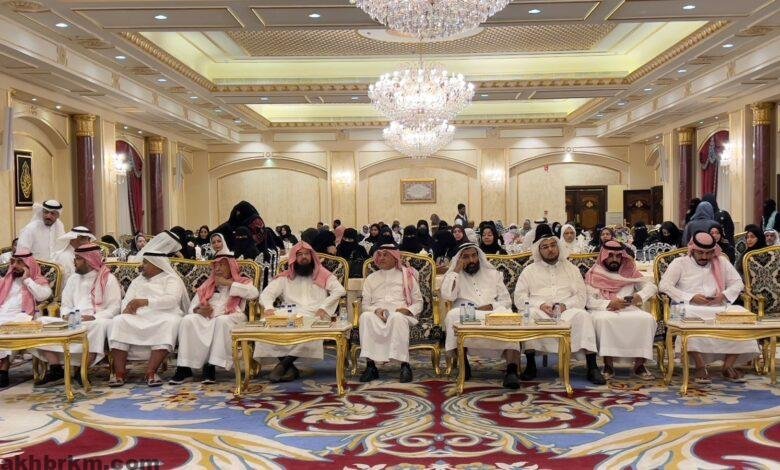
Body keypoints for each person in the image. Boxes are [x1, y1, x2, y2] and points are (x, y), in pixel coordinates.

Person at [659, 232, 759, 383]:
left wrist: (723, 295)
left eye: (709, 253)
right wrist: (690, 297)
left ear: (714, 251)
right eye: (700, 253)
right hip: (688, 306)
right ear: (692, 249)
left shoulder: (721, 262)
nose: (705, 257)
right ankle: (700, 366)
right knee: (690, 321)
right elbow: (664, 286)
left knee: (742, 318)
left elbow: (738, 283)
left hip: (718, 306)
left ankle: (728, 366)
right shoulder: (679, 263)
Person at [513, 226, 606, 385]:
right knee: (528, 316)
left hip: (566, 311)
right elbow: (519, 297)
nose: (550, 249)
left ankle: (592, 367)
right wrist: (540, 305)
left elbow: (581, 297)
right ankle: (531, 365)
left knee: (583, 316)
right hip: (540, 311)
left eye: (553, 245)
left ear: (558, 246)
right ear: (539, 250)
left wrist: (564, 305)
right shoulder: (529, 271)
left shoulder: (572, 269)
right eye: (545, 247)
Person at [253, 242, 346, 382]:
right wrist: (269, 308)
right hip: (289, 312)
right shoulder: (285, 277)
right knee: (265, 325)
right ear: (294, 258)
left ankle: (283, 365)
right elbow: (267, 294)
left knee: (310, 328)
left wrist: (324, 307)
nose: (304, 257)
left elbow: (339, 290)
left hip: (315, 314)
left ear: (312, 256)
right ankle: (290, 368)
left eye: (307, 254)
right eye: (300, 254)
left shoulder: (323, 274)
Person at [36, 244, 122, 385]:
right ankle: (56, 368)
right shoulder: (73, 279)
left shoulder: (108, 279)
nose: (74, 261)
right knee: (42, 322)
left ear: (88, 260)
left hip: (97, 319)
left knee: (97, 326)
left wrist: (94, 317)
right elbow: (65, 304)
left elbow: (115, 307)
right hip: (73, 319)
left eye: (77, 258)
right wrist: (66, 315)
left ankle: (82, 371)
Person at [441, 243, 522, 389]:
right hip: (468, 315)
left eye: (474, 256)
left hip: (492, 313)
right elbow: (447, 295)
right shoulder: (454, 275)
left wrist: (491, 306)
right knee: (452, 315)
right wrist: (456, 271)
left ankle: (511, 371)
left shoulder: (493, 274)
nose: (471, 260)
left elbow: (506, 301)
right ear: (459, 259)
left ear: (479, 257)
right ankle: (464, 365)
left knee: (509, 316)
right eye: (466, 257)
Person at [170, 252, 259, 385]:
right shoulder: (208, 284)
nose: (217, 269)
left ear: (231, 267)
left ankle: (210, 366)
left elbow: (254, 293)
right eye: (215, 266)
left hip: (233, 316)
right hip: (207, 318)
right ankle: (184, 368)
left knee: (221, 321)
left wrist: (228, 283)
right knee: (187, 320)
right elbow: (193, 307)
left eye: (221, 265)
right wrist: (199, 310)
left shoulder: (242, 282)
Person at [109, 247, 189, 387]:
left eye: (145, 262)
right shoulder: (138, 280)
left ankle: (151, 372)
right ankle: (120, 373)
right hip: (138, 315)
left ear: (156, 264)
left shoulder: (171, 279)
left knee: (169, 323)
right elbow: (127, 300)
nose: (142, 266)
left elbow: (172, 300)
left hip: (165, 314)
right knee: (118, 321)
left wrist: (146, 302)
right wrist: (126, 309)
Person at [584, 241, 658, 380]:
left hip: (628, 308)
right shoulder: (594, 273)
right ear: (604, 256)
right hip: (602, 309)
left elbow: (651, 287)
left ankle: (640, 365)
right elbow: (588, 301)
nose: (614, 259)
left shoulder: (630, 271)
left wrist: (639, 296)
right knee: (605, 320)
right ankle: (608, 364)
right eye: (610, 255)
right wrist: (610, 303)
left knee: (647, 319)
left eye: (618, 256)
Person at [358, 245, 424, 383]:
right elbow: (365, 306)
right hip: (378, 314)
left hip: (402, 314)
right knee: (365, 317)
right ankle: (371, 367)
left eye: (385, 255)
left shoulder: (407, 276)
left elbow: (418, 302)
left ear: (395, 258)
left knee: (396, 317)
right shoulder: (371, 278)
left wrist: (407, 310)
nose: (381, 258)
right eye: (379, 255)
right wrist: (376, 311)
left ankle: (405, 366)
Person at [0, 250, 52, 388]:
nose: (14, 266)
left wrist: (27, 280)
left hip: (23, 316)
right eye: (13, 262)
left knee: (8, 329)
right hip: (2, 314)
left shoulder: (37, 281)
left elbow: (43, 296)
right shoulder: (7, 281)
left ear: (29, 265)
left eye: (19, 262)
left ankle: (3, 370)